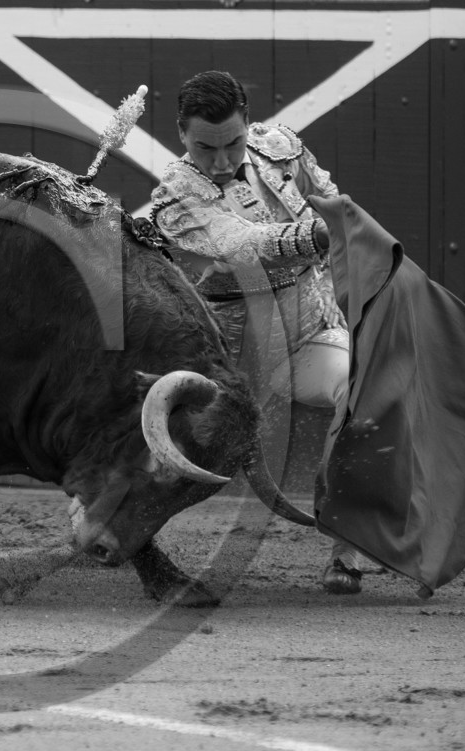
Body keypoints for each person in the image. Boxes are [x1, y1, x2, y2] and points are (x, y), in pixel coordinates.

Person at [148, 70, 365, 594]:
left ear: (248, 124)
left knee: (362, 390)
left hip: (306, 334)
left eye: (233, 144)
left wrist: (340, 227)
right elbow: (246, 244)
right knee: (170, 464)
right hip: (224, 364)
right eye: (205, 148)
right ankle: (106, 524)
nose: (221, 162)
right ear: (181, 134)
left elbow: (331, 202)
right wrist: (323, 233)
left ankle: (349, 550)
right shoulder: (175, 200)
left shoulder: (281, 149)